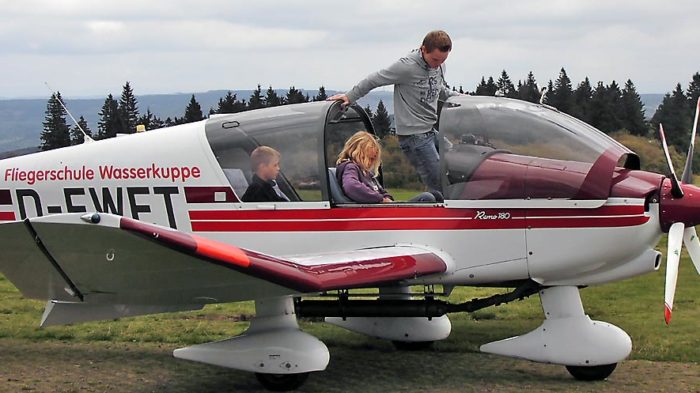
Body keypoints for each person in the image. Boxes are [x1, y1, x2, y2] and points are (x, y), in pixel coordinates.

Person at [328, 30, 461, 193]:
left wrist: (460, 98)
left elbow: (438, 88)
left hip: (430, 131)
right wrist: (350, 96)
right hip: (414, 137)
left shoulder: (439, 66)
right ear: (423, 49)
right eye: (435, 59)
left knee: (458, 164)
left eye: (443, 60)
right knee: (439, 183)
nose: (438, 64)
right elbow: (375, 79)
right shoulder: (406, 66)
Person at [336, 131, 437, 204]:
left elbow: (382, 192)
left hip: (383, 208)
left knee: (436, 195)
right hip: (373, 214)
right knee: (427, 197)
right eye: (369, 158)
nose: (370, 163)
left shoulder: (367, 174)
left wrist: (387, 198)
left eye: (373, 159)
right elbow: (351, 187)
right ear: (357, 153)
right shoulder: (350, 168)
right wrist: (381, 199)